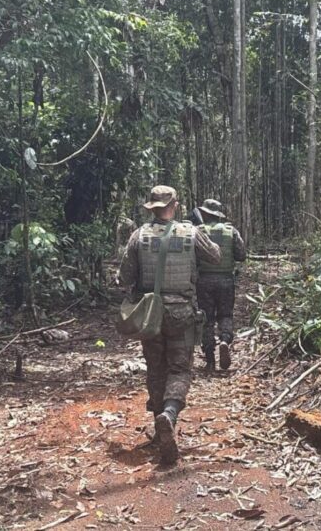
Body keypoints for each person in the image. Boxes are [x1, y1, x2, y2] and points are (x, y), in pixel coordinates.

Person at [117, 185, 221, 464]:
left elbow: (124, 278)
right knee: (180, 368)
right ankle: (170, 415)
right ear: (175, 205)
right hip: (181, 311)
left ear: (151, 207)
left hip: (150, 313)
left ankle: (159, 424)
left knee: (156, 367)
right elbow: (216, 256)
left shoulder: (138, 236)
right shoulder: (191, 232)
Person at [195, 199, 246, 371]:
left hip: (204, 280)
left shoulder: (198, 232)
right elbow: (241, 255)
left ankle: (210, 360)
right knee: (225, 315)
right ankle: (224, 340)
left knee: (206, 319)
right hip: (226, 280)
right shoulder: (231, 231)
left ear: (205, 214)